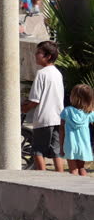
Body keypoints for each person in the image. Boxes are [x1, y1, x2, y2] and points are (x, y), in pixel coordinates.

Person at [21, 41, 65, 173]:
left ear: (48, 56)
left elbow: (35, 100)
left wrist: (25, 108)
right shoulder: (57, 73)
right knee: (56, 151)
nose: (35, 55)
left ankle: (42, 178)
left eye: (38, 53)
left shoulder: (41, 74)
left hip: (43, 118)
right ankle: (61, 176)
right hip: (57, 117)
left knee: (37, 150)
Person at [60, 84, 94, 176]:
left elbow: (61, 130)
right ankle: (84, 187)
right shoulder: (89, 112)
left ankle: (71, 188)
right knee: (81, 168)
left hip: (70, 145)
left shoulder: (66, 111)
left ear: (73, 97)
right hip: (84, 144)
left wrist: (61, 146)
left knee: (73, 170)